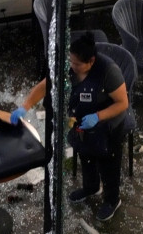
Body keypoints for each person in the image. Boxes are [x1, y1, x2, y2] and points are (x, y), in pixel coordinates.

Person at [11, 32, 129, 221]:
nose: (72, 67)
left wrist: (98, 117)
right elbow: (45, 85)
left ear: (91, 61)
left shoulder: (108, 71)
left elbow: (122, 103)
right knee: (86, 155)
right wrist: (25, 107)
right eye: (70, 62)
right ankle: (91, 188)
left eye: (77, 64)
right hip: (82, 122)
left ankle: (112, 200)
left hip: (108, 125)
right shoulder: (69, 66)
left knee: (108, 165)